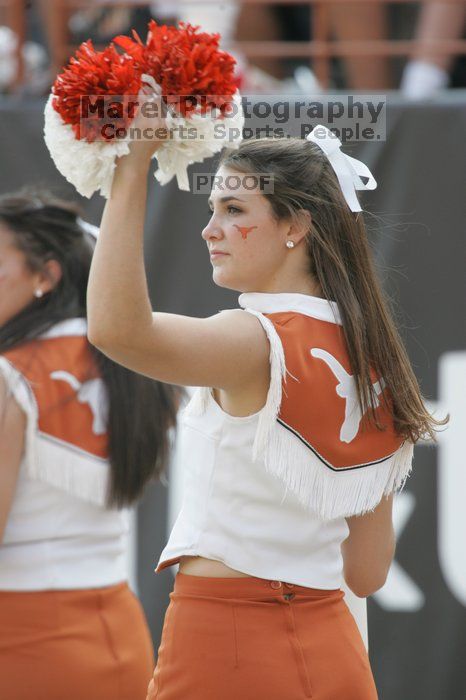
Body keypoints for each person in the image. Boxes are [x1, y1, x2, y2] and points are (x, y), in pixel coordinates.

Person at [86, 113, 446, 699]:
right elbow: (367, 572)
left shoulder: (251, 339)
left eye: (233, 210)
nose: (210, 230)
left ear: (295, 226)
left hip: (224, 642)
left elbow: (115, 329)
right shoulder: (375, 358)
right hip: (334, 649)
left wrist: (131, 171)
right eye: (212, 211)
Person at [0, 190, 180, 700]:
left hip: (21, 641)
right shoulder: (131, 363)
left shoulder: (10, 374)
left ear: (46, 277)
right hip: (121, 633)